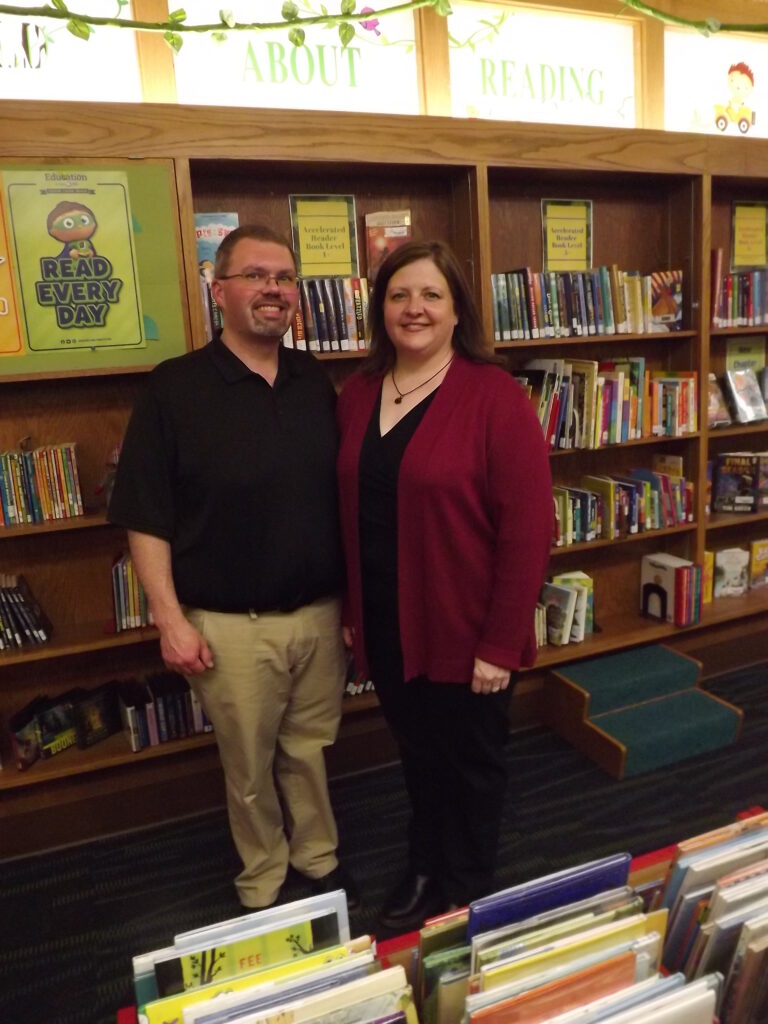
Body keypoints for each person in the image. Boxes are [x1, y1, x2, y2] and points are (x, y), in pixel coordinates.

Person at [108, 224, 358, 912]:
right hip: (229, 626)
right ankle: (264, 878)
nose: (273, 289)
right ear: (219, 291)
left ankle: (317, 856)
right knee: (248, 767)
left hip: (319, 612)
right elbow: (146, 516)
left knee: (309, 749)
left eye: (284, 277)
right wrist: (169, 620)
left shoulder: (315, 381)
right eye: (254, 275)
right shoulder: (174, 389)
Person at [336, 240, 552, 931]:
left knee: (473, 764)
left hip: (466, 628)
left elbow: (528, 531)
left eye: (431, 294)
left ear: (458, 309)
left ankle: (464, 886)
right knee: (419, 755)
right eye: (399, 295)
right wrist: (352, 609)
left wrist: (500, 641)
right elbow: (349, 510)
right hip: (385, 618)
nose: (414, 309)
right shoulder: (360, 392)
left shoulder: (495, 397)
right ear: (381, 310)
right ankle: (423, 863)